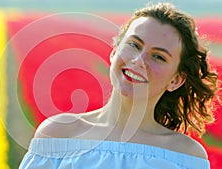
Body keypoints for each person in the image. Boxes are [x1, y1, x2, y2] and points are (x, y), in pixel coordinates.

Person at [19, 2, 219, 169]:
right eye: (134, 45)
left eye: (158, 56)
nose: (139, 60)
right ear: (114, 52)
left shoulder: (185, 156)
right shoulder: (59, 133)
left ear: (176, 80)